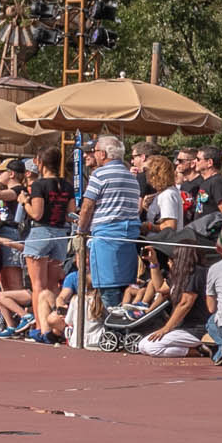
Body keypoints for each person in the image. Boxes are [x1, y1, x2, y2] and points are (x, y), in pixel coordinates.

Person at [79, 134, 143, 323]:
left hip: (106, 235)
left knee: (108, 289)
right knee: (124, 286)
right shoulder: (132, 178)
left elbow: (87, 206)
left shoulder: (99, 175)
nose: (93, 154)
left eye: (96, 150)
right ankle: (121, 325)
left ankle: (112, 327)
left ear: (104, 154)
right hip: (129, 236)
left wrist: (82, 229)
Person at [22, 154, 75, 344]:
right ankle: (54, 326)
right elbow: (71, 214)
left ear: (40, 162)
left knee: (38, 285)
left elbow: (37, 213)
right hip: (61, 234)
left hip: (41, 233)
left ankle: (40, 326)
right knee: (53, 285)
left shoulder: (39, 185)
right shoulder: (67, 185)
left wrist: (24, 202)